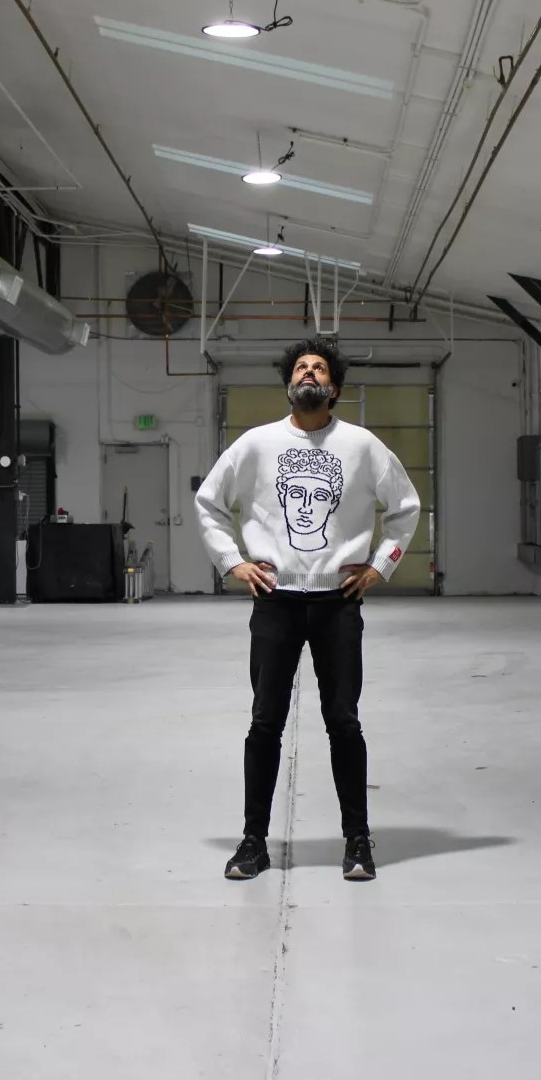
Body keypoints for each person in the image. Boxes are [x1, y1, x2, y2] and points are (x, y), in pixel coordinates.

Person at [194, 337, 421, 883]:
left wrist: (379, 567)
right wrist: (232, 562)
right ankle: (253, 843)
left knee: (343, 721)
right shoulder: (256, 444)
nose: (310, 373)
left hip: (337, 603)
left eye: (319, 368)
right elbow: (209, 503)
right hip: (276, 601)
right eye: (301, 366)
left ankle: (358, 840)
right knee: (264, 722)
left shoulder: (363, 446)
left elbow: (405, 509)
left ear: (334, 387)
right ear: (289, 384)